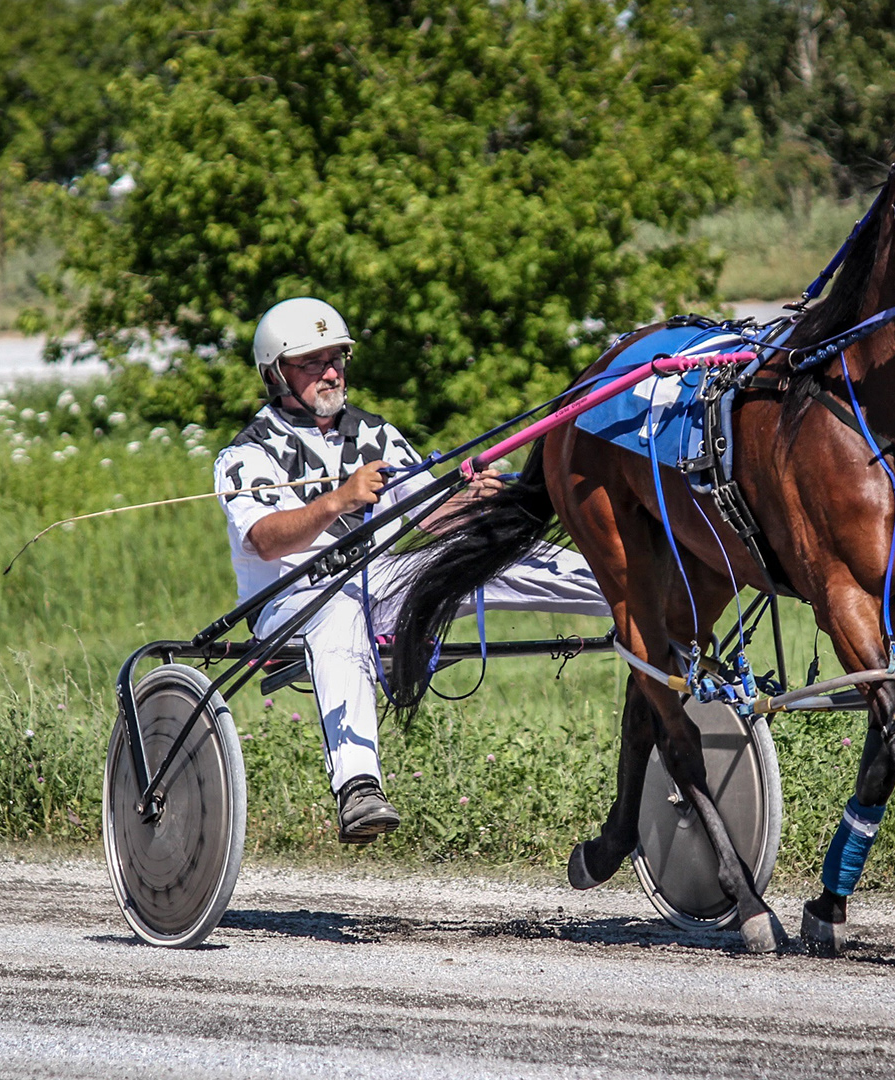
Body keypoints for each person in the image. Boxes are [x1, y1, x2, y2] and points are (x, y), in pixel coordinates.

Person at [215, 297, 610, 843]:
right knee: (340, 610)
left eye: (337, 359)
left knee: (484, 551)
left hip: (379, 585)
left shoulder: (375, 434)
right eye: (312, 363)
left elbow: (432, 515)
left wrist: (473, 497)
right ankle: (358, 787)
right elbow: (263, 540)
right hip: (292, 604)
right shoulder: (247, 453)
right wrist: (338, 500)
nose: (331, 373)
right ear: (276, 372)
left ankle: (641, 597)